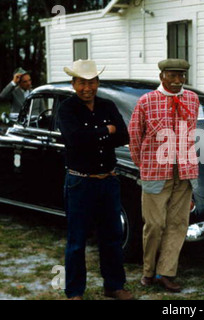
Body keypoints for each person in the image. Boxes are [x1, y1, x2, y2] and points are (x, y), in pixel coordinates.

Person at [57, 59, 133, 300]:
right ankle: (74, 292)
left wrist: (97, 135)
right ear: (73, 84)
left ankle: (114, 286)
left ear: (98, 83)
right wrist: (105, 131)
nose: (86, 88)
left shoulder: (107, 105)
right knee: (77, 241)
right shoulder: (67, 109)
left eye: (91, 82)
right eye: (81, 83)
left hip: (108, 181)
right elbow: (75, 139)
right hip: (81, 182)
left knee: (112, 237)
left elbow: (123, 135)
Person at [128, 58, 199, 292]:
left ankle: (166, 272)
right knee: (155, 224)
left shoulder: (192, 99)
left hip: (185, 171)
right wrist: (145, 166)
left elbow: (191, 131)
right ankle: (148, 271)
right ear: (162, 76)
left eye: (181, 76)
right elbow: (135, 137)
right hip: (155, 172)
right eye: (172, 76)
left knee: (178, 224)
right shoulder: (147, 101)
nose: (178, 81)